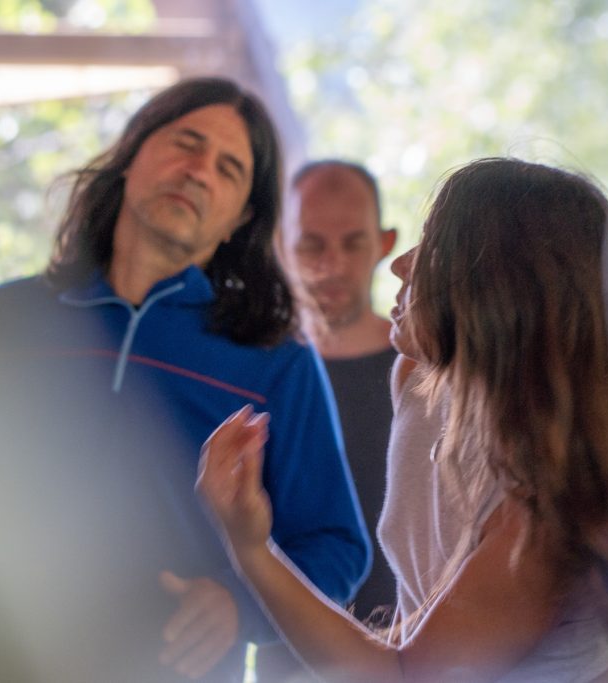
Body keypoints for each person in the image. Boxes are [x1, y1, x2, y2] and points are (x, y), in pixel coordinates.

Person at [0, 77, 370, 683]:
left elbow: (336, 546)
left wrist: (239, 604)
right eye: (186, 143)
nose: (199, 172)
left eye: (229, 169)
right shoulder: (5, 317)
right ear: (131, 154)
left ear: (240, 219)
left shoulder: (274, 361)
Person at [197, 158, 608, 682]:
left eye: (432, 249)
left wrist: (251, 547)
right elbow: (418, 630)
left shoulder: (545, 508)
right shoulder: (420, 382)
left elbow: (405, 676)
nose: (401, 265)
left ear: (497, 291)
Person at [258, 160, 398, 681]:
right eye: (312, 245)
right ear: (280, 244)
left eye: (353, 244)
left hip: (412, 651)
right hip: (285, 658)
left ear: (384, 244)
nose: (332, 265)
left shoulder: (430, 371)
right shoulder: (259, 373)